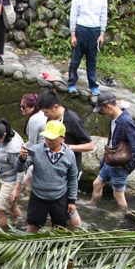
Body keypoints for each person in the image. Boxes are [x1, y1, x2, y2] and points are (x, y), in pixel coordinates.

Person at [37, 91, 94, 227]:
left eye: (46, 112)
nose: (45, 116)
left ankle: (77, 230)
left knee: (67, 203)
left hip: (71, 168)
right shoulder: (51, 120)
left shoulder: (73, 120)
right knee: (61, 202)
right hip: (55, 166)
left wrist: (67, 147)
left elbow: (90, 146)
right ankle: (65, 226)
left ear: (56, 107)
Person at [14, 120, 79, 232]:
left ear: (62, 138)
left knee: (60, 229)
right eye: (46, 137)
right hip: (39, 197)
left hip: (59, 197)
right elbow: (20, 169)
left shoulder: (69, 154)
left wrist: (72, 201)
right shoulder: (36, 150)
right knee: (33, 227)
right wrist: (21, 159)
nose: (48, 140)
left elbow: (73, 178)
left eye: (52, 138)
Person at [90, 92, 135, 210]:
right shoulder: (114, 119)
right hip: (109, 161)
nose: (102, 113)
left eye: (102, 110)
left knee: (118, 195)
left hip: (120, 165)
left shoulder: (125, 121)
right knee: (97, 184)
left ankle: (122, 213)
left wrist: (130, 166)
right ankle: (92, 205)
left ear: (108, 107)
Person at [67, 0, 107, 96]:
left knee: (92, 60)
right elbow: (73, 15)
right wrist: (73, 34)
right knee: (75, 59)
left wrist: (102, 34)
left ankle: (93, 85)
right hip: (81, 29)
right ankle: (72, 83)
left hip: (94, 30)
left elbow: (103, 15)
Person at [19, 93, 47, 197]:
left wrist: (21, 150)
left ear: (32, 107)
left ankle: (30, 197)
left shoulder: (34, 119)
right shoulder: (41, 114)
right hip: (45, 150)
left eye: (23, 107)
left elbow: (32, 144)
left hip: (40, 153)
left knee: (27, 180)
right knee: (27, 179)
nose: (21, 109)